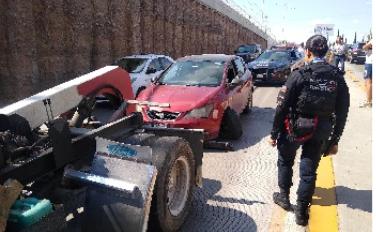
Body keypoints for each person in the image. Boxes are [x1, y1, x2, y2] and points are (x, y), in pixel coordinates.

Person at [268, 35, 350, 226]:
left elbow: (281, 106)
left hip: (294, 128)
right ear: (328, 53)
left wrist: (274, 133)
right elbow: (343, 111)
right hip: (321, 130)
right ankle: (302, 212)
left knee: (285, 160)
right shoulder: (337, 77)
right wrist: (335, 140)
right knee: (309, 171)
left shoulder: (299, 74)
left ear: (308, 52)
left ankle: (284, 197)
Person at [361, 39, 372, 107]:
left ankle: (368, 102)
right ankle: (369, 99)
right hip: (370, 63)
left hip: (370, 63)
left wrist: (367, 44)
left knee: (368, 83)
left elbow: (364, 47)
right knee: (368, 83)